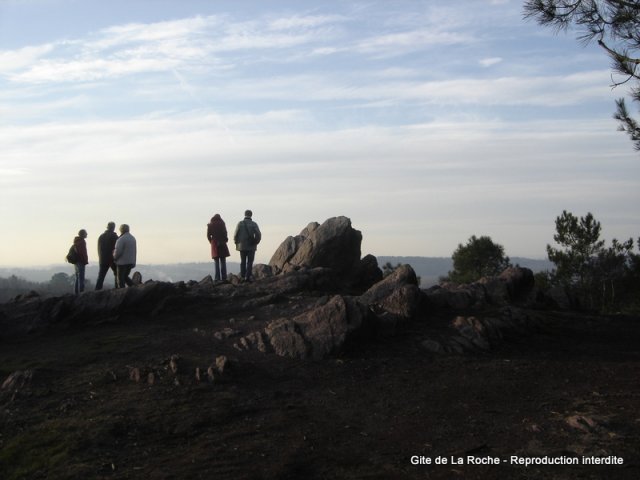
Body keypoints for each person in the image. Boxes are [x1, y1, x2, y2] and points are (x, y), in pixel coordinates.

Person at [233, 209, 261, 282]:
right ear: (251, 215)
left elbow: (235, 234)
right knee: (250, 262)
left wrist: (236, 242)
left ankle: (242, 276)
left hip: (242, 246)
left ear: (244, 214)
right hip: (251, 246)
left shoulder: (240, 223)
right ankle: (247, 277)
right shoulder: (254, 224)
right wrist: (256, 242)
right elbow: (258, 234)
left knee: (243, 261)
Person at [207, 214, 231, 282]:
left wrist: (211, 242)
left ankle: (217, 278)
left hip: (214, 244)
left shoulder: (210, 224)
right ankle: (224, 277)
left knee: (216, 261)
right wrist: (225, 240)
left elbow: (208, 235)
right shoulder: (222, 224)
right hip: (222, 243)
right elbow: (225, 233)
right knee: (223, 261)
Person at [95, 222, 118, 290]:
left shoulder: (101, 236)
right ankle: (117, 288)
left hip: (102, 258)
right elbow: (117, 248)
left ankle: (97, 290)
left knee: (101, 276)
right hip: (111, 259)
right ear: (113, 227)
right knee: (117, 274)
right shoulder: (114, 236)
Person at [113, 224, 137, 288]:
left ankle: (121, 292)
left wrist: (114, 258)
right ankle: (134, 288)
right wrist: (134, 261)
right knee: (125, 277)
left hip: (122, 262)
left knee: (120, 279)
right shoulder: (133, 238)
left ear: (121, 230)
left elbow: (118, 251)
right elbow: (135, 251)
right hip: (130, 261)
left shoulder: (121, 239)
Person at [73, 229, 89, 294]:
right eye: (86, 233)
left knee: (77, 278)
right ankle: (81, 293)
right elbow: (82, 252)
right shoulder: (82, 242)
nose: (87, 234)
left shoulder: (76, 241)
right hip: (81, 261)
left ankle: (76, 293)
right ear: (83, 234)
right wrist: (85, 260)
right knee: (81, 278)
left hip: (76, 262)